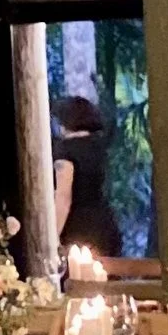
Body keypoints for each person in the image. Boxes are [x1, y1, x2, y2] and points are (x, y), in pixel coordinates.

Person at [51, 92, 122, 260]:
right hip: (105, 224)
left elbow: (63, 196)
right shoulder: (100, 147)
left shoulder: (65, 150)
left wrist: (52, 237)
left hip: (77, 228)